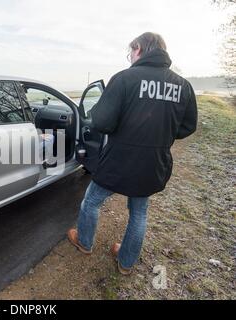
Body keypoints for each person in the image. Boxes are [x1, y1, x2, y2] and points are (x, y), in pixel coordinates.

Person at [67, 32, 198, 275]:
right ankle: (126, 262)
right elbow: (188, 126)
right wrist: (161, 136)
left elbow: (101, 122)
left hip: (119, 159)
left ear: (139, 48)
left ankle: (84, 242)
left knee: (92, 201)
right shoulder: (183, 85)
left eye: (131, 52)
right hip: (154, 162)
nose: (130, 57)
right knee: (139, 212)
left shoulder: (125, 78)